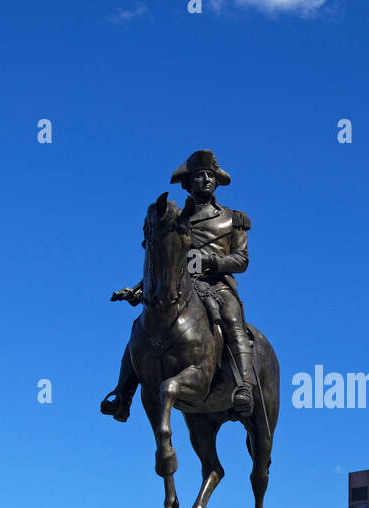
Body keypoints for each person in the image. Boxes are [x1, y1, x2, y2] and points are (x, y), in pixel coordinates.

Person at [101, 149, 256, 421]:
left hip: (217, 285)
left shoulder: (234, 218)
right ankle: (123, 394)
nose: (206, 180)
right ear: (187, 183)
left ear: (217, 182)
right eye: (199, 176)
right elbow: (166, 261)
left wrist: (212, 262)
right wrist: (139, 288)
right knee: (140, 326)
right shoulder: (176, 221)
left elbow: (241, 260)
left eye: (210, 175)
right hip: (181, 286)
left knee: (232, 317)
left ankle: (244, 386)